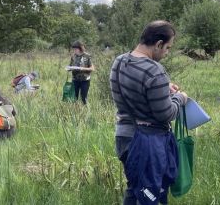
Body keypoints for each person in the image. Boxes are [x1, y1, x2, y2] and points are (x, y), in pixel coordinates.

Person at [110, 21, 188, 205]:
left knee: (135, 189)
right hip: (146, 142)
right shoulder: (154, 70)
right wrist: (180, 98)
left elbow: (132, 88)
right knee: (148, 195)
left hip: (124, 137)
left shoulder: (119, 61)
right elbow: (166, 114)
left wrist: (162, 88)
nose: (167, 52)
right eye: (167, 47)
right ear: (159, 43)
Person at [67, 41, 95, 105]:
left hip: (85, 80)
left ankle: (85, 111)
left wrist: (83, 68)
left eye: (75, 49)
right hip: (75, 80)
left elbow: (92, 68)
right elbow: (70, 66)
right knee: (74, 98)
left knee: (84, 98)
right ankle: (75, 111)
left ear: (80, 48)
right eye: (73, 49)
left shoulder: (87, 56)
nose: (74, 50)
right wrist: (69, 68)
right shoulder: (73, 56)